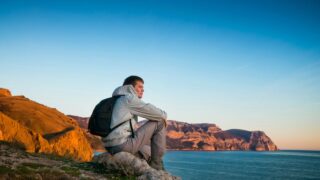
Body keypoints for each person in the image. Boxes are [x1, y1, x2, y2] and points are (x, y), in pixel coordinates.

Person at [102, 75, 168, 171]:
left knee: (149, 152)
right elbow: (161, 115)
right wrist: (164, 118)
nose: (143, 90)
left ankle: (150, 162)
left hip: (110, 146)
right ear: (131, 87)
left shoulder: (115, 99)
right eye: (140, 87)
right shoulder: (129, 99)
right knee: (160, 122)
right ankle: (157, 168)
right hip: (122, 145)